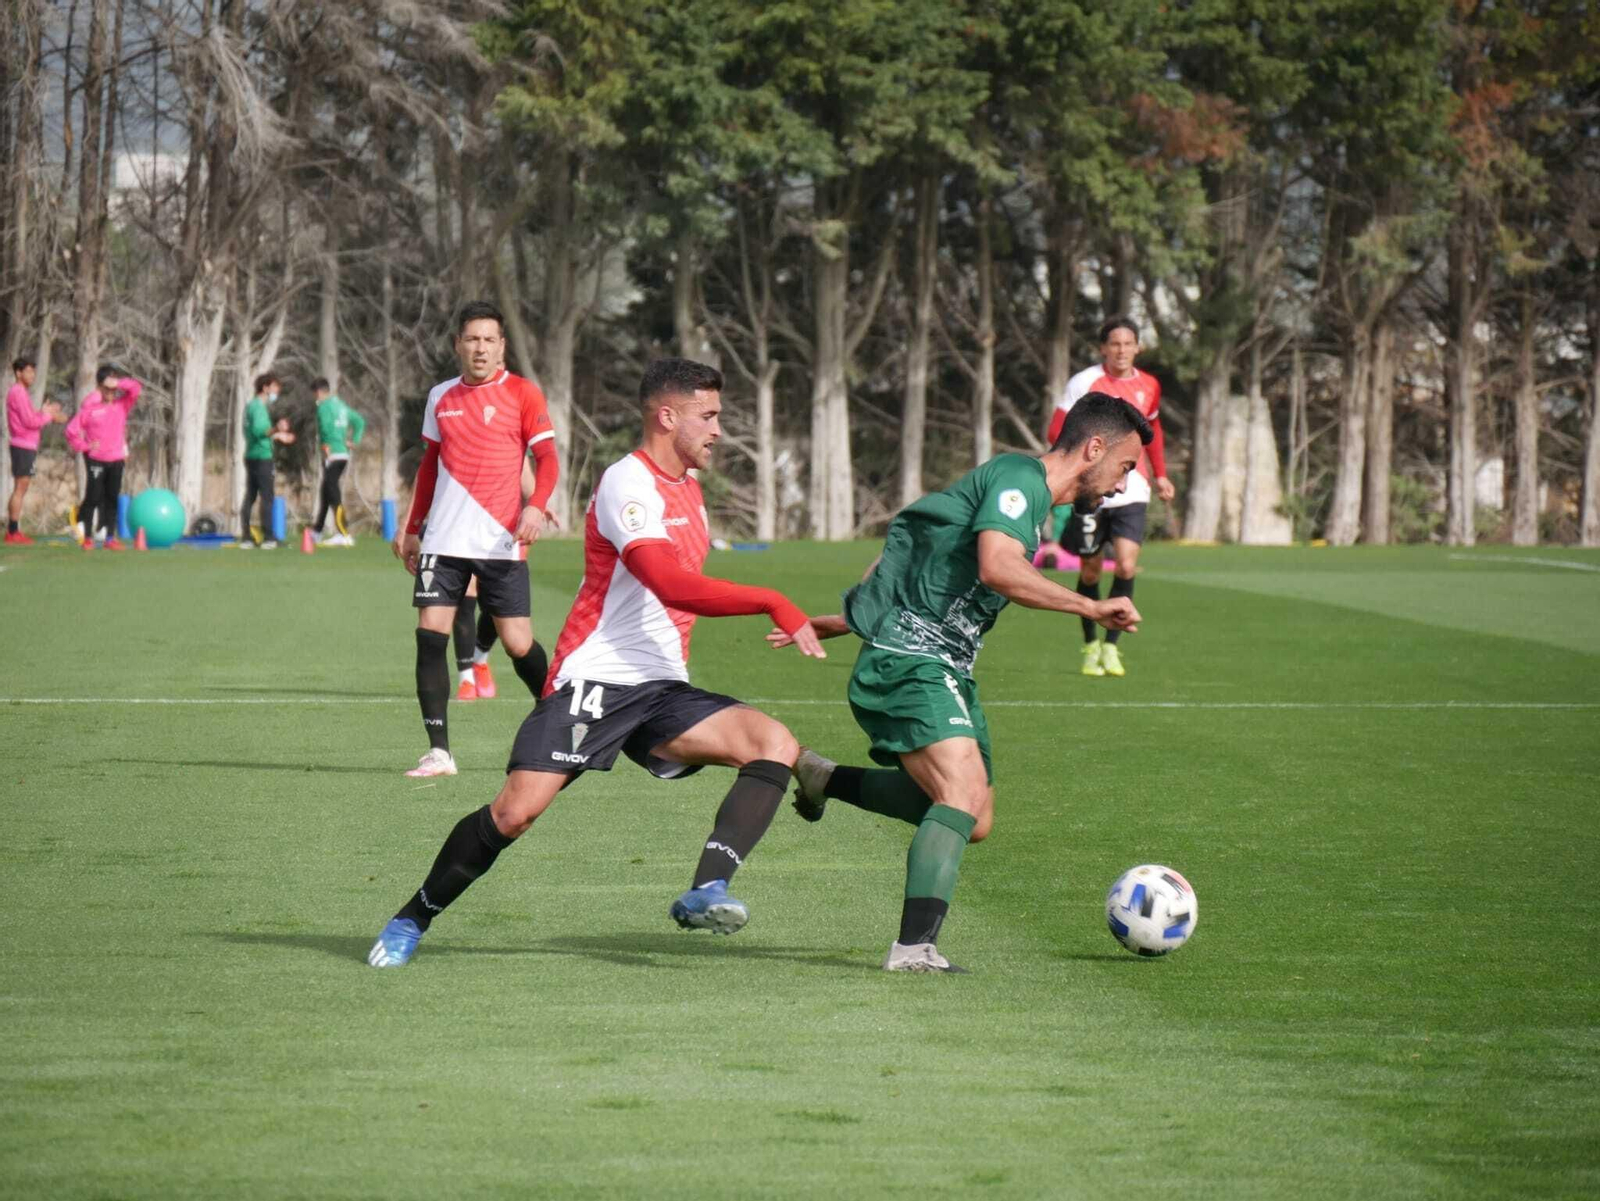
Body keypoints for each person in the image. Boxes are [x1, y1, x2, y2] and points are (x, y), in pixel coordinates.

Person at [368, 357, 827, 968]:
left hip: (662, 688)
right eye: (709, 415)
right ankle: (412, 917)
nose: (719, 429)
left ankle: (707, 889)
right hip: (595, 680)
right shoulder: (626, 484)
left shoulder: (689, 492)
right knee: (514, 813)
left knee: (772, 741)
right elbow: (668, 582)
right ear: (668, 416)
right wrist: (773, 600)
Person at [775, 393, 1151, 972]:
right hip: (912, 660)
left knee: (973, 818)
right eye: (1125, 467)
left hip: (945, 662)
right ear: (1093, 448)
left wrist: (848, 619)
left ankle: (823, 777)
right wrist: (1091, 608)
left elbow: (917, 545)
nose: (1124, 486)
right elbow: (997, 567)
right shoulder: (1017, 478)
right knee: (958, 793)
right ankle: (914, 949)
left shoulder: (1034, 503)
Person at [392, 301, 560, 777]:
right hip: (442, 541)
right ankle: (439, 751)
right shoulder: (440, 397)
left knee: (518, 643)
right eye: (472, 339)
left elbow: (547, 459)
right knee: (430, 638)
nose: (480, 347)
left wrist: (535, 503)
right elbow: (428, 467)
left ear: (502, 346)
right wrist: (411, 529)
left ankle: (557, 719)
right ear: (458, 345)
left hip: (498, 542)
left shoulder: (524, 394)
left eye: (489, 339)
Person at [1047, 318, 1173, 678]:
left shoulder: (1149, 385)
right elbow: (1056, 429)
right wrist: (1081, 465)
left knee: (1127, 566)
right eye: (1114, 344)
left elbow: (1154, 430)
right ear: (1103, 348)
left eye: (1128, 343)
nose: (1121, 350)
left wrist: (1161, 474)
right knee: (1089, 569)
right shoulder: (1084, 383)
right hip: (1091, 490)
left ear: (1138, 347)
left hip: (1132, 489)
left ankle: (1111, 647)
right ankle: (1089, 644)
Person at [63, 366, 142, 550]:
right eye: (107, 388)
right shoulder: (90, 408)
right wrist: (85, 446)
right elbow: (71, 431)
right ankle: (88, 538)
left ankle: (109, 538)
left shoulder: (122, 405)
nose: (111, 392)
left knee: (112, 498)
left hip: (116, 460)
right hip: (96, 460)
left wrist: (118, 382)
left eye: (114, 389)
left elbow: (136, 388)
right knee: (93, 496)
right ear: (100, 388)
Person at [5, 358, 65, 544]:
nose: (32, 375)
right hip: (22, 446)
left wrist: (44, 412)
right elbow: (30, 422)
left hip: (26, 446)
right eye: (28, 371)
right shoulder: (18, 392)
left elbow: (31, 418)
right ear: (18, 373)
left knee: (21, 489)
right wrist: (48, 416)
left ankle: (13, 530)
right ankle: (13, 532)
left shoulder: (22, 393)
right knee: (20, 489)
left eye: (33, 372)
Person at [238, 373, 295, 549]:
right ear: (265, 388)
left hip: (252, 455)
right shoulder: (258, 407)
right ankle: (269, 538)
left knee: (251, 496)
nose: (277, 391)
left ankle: (246, 537)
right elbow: (260, 431)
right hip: (262, 458)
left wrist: (278, 435)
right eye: (275, 387)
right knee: (267, 497)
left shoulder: (251, 406)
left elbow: (258, 434)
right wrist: (277, 428)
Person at [312, 378, 365, 546]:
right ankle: (317, 532)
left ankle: (344, 533)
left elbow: (325, 428)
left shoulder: (324, 407)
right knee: (326, 491)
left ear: (319, 392)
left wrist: (325, 447)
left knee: (332, 493)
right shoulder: (341, 406)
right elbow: (359, 421)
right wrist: (354, 440)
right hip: (343, 453)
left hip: (332, 454)